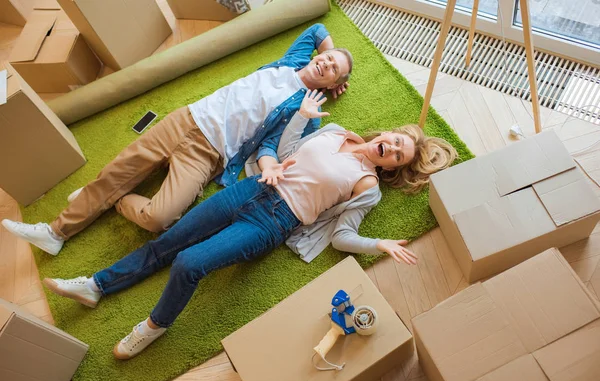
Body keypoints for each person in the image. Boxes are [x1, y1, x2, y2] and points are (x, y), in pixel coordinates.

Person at [42, 90, 457, 360]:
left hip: (274, 220)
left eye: (397, 157)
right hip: (253, 188)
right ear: (385, 133)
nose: (392, 149)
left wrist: (378, 244)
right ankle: (96, 286)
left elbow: (342, 237)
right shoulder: (334, 131)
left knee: (189, 262)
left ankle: (154, 326)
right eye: (397, 142)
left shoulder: (367, 186)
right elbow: (282, 149)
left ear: (389, 168)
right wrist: (299, 120)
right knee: (169, 240)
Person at [2, 24, 353, 256]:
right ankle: (56, 232)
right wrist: (336, 55)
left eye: (334, 69)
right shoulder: (291, 60)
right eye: (328, 58)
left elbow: (272, 146)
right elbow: (318, 29)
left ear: (332, 84)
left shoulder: (304, 108)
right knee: (118, 168)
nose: (326, 62)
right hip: (186, 119)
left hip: (210, 152)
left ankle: (109, 196)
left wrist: (272, 165)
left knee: (160, 217)